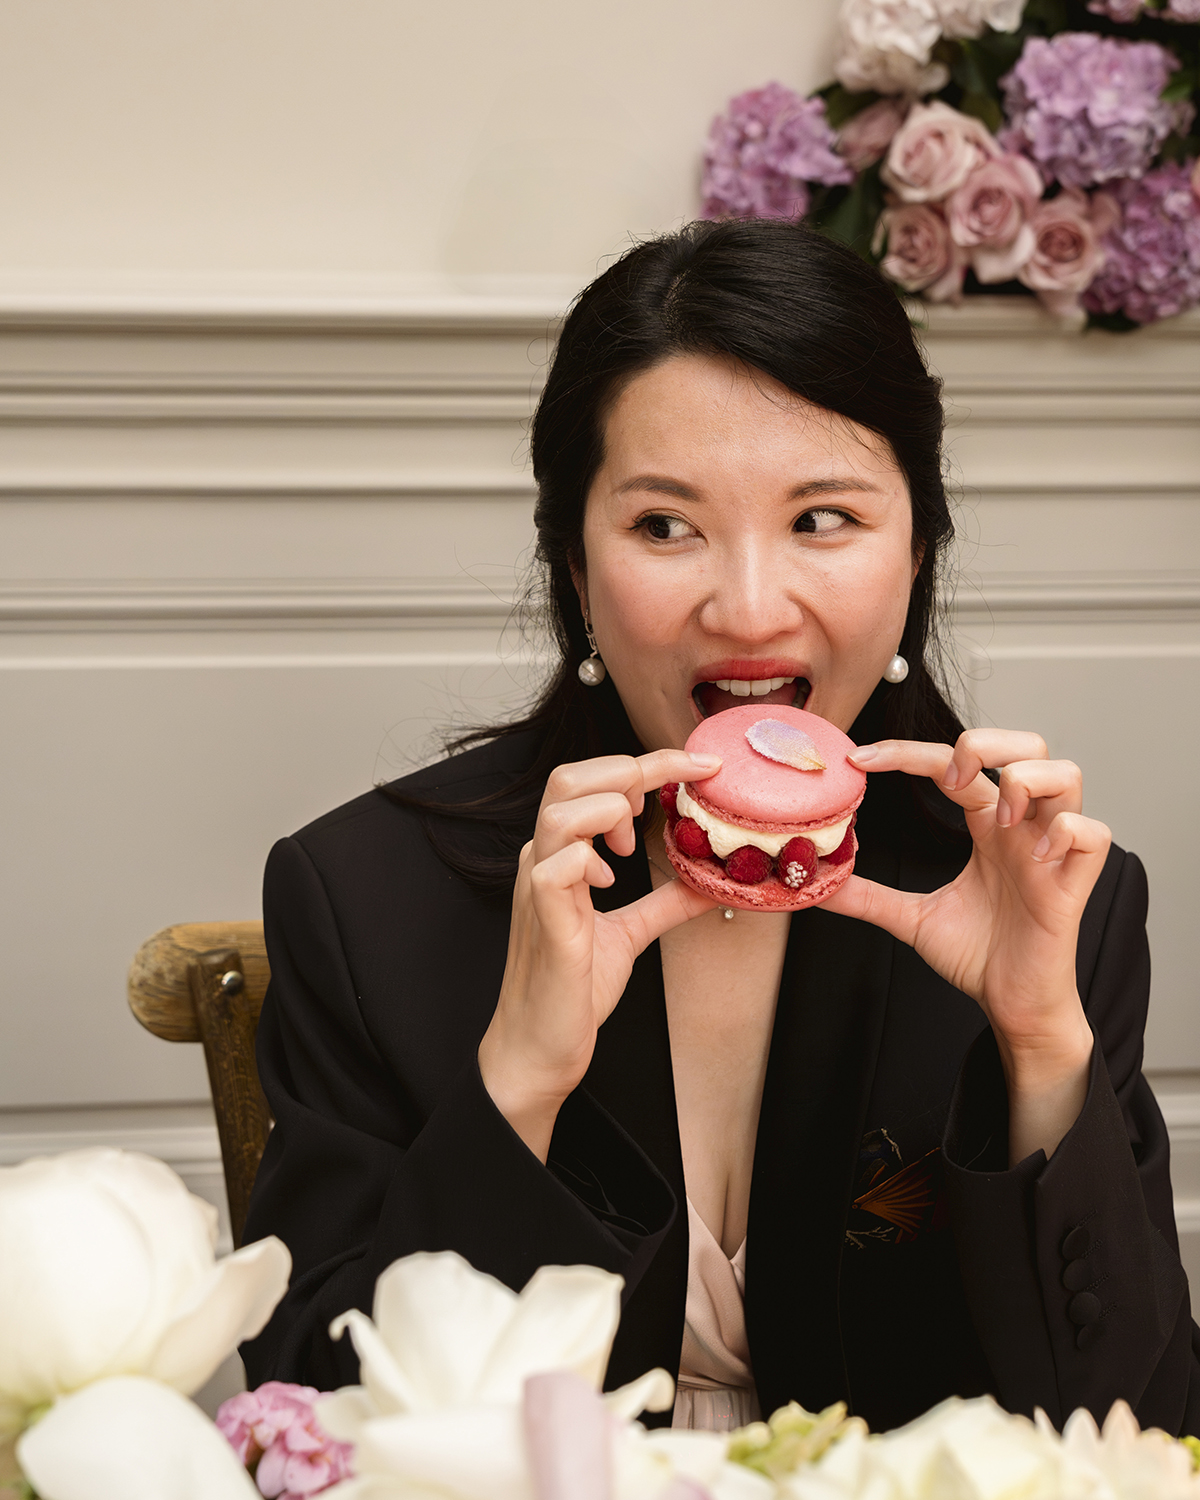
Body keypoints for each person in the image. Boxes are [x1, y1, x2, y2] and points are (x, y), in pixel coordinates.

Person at [241, 218, 1200, 1436]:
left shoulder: (1047, 894)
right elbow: (310, 1425)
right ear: (574, 566)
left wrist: (1041, 1044)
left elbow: (1143, 1430)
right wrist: (518, 1082)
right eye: (664, 526)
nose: (749, 610)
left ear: (918, 550)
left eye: (823, 519)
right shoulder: (363, 898)